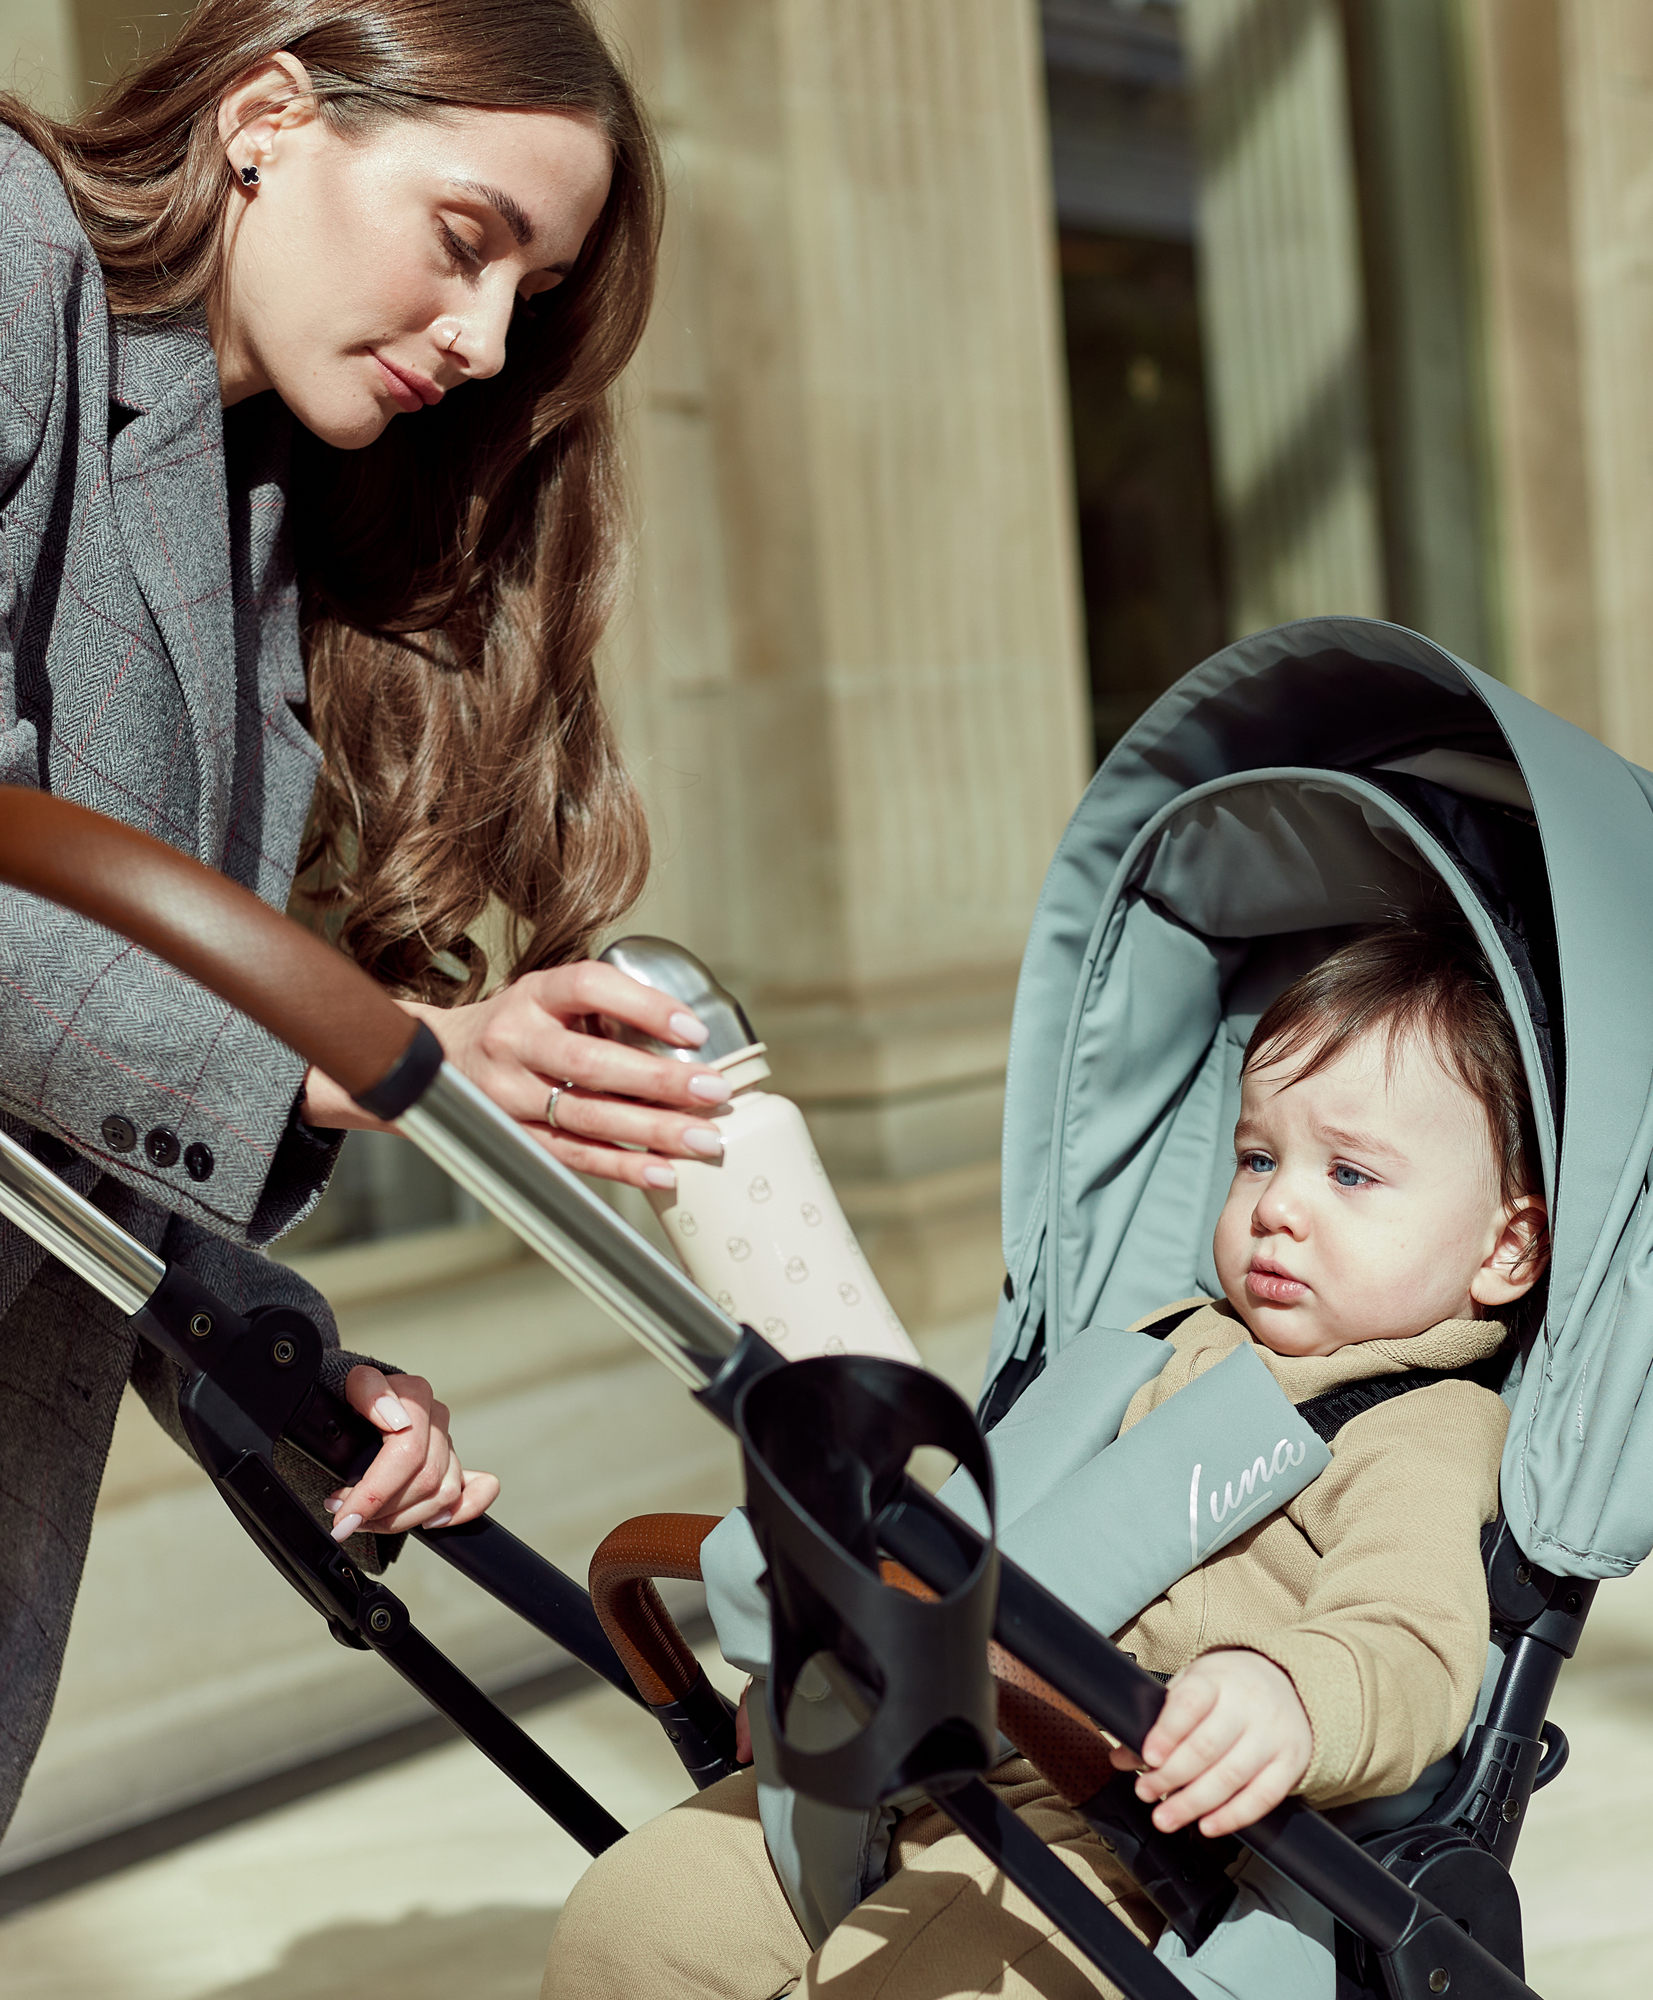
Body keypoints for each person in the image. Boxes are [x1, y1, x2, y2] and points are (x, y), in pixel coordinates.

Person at [0, 0, 727, 1837]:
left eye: (528, 297)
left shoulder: (257, 519)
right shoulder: (8, 260)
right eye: (466, 242)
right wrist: (384, 1066)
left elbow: (69, 1072)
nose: (484, 342)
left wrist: (283, 1360)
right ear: (267, 113)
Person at [543, 914, 1551, 1999]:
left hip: (1130, 1850)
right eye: (1256, 1156)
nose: (1278, 1206)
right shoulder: (1155, 1341)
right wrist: (837, 1663)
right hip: (922, 1755)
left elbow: (1411, 1643)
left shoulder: (1419, 1425)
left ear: (1503, 1246)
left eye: (1349, 1174)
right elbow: (980, 1526)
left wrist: (1285, 1696)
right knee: (634, 1918)